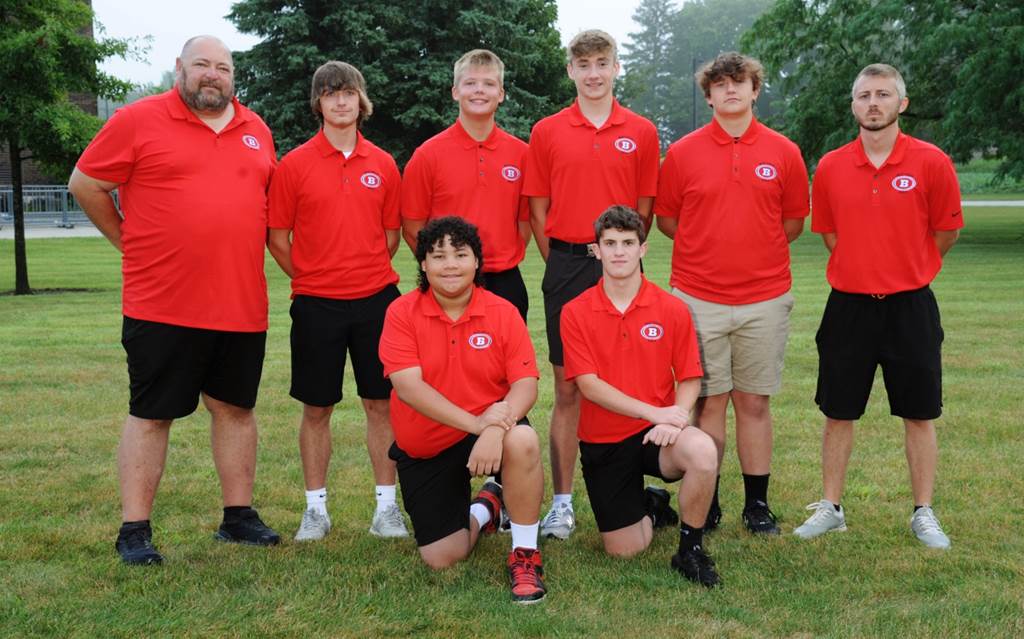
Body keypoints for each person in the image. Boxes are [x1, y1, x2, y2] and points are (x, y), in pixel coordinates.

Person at [68, 36, 280, 565]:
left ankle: (238, 517)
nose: (213, 75)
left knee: (235, 409)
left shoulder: (256, 130)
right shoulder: (138, 120)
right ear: (179, 69)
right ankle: (134, 530)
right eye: (202, 65)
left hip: (240, 303)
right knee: (151, 413)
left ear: (234, 77)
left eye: (223, 67)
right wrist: (129, 240)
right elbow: (85, 183)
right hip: (162, 304)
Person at [794, 63, 961, 549]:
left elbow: (946, 231)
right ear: (853, 105)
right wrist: (863, 268)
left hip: (911, 307)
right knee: (838, 411)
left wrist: (909, 267)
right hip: (849, 306)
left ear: (901, 104)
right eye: (864, 95)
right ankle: (831, 507)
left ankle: (923, 512)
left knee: (919, 412)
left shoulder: (931, 162)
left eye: (883, 94)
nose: (873, 103)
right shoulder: (829, 165)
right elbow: (828, 233)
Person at [654, 52, 809, 535]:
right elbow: (668, 221)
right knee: (710, 402)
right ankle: (709, 497)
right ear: (708, 95)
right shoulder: (682, 153)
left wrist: (751, 254)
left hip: (764, 297)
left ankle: (757, 504)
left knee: (755, 402)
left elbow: (791, 223)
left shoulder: (784, 151)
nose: (731, 91)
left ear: (755, 89)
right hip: (698, 297)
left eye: (739, 82)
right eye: (720, 85)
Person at [523, 29, 660, 539]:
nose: (594, 73)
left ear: (616, 67)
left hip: (621, 263)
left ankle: (631, 488)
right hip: (568, 265)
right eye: (584, 64)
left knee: (628, 380)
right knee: (568, 387)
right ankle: (562, 502)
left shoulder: (642, 130)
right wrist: (569, 258)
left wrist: (615, 257)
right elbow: (537, 209)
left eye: (603, 62)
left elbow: (643, 207)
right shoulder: (547, 130)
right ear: (571, 72)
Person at [267, 61, 408, 541]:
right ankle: (315, 510)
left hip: (377, 301)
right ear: (319, 103)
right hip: (316, 305)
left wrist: (361, 272)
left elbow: (390, 235)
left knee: (381, 404)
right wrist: (313, 275)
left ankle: (386, 509)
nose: (341, 101)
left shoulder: (384, 164)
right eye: (330, 94)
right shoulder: (294, 165)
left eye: (348, 93)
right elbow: (278, 238)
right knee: (316, 408)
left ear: (361, 100)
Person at [379, 217, 547, 603]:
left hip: (492, 432)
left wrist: (492, 429)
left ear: (477, 261)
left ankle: (524, 554)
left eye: (460, 254)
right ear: (423, 263)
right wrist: (477, 424)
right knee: (443, 558)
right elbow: (408, 387)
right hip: (428, 443)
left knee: (522, 438)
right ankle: (487, 506)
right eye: (438, 256)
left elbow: (526, 384)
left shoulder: (502, 311)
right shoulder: (401, 312)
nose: (450, 264)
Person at [561, 206, 721, 587]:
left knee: (702, 450)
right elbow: (589, 385)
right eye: (610, 243)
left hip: (658, 437)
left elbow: (690, 379)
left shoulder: (672, 308)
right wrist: (657, 414)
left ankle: (690, 550)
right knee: (625, 550)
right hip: (605, 440)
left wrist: (677, 416)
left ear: (643, 249)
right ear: (596, 250)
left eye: (628, 243)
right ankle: (651, 505)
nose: (619, 252)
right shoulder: (575, 312)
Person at [401, 49, 531, 321]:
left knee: (507, 362)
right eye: (470, 83)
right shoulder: (428, 155)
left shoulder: (522, 154)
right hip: (449, 283)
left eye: (489, 83)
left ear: (501, 93)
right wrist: (445, 267)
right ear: (455, 92)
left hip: (505, 281)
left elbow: (524, 224)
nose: (479, 91)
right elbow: (413, 228)